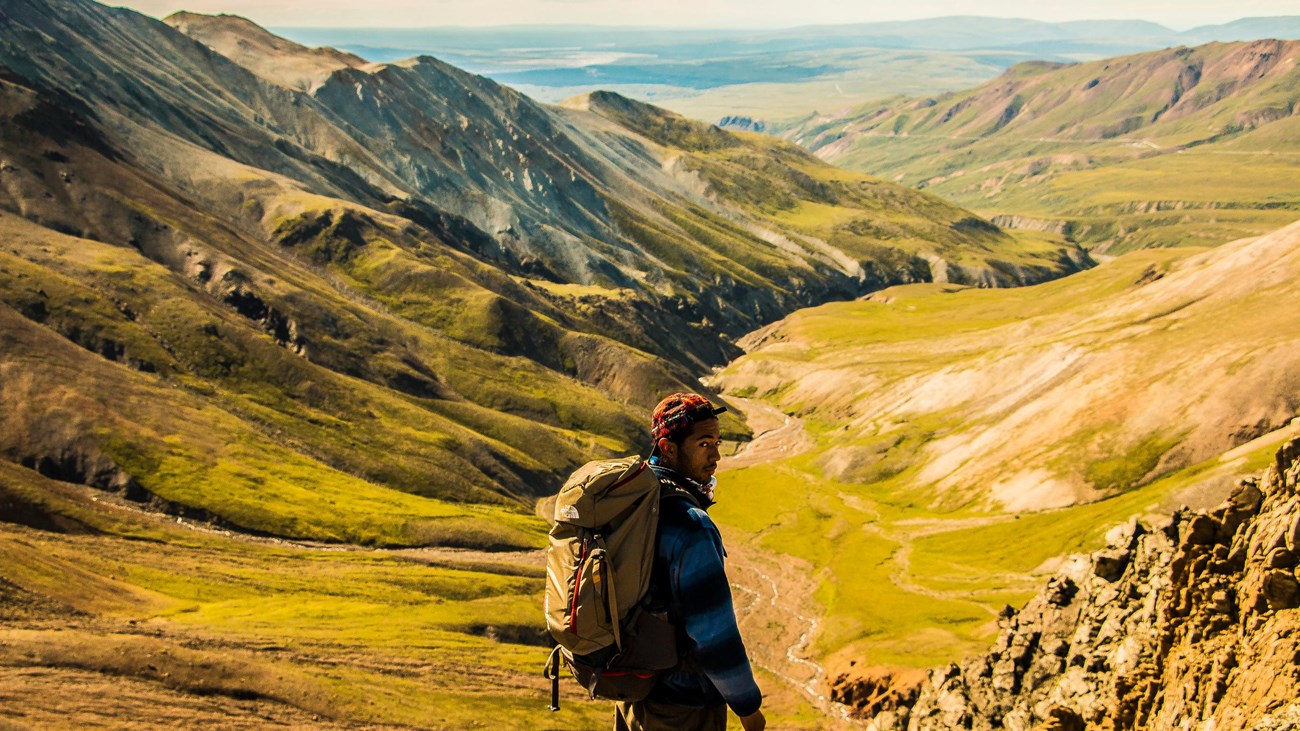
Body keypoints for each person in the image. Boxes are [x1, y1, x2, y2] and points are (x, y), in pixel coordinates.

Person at [614, 392, 766, 731]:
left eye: (717, 441)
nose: (716, 456)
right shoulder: (690, 525)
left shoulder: (635, 500)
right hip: (682, 709)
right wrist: (748, 707)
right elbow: (714, 635)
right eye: (703, 444)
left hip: (637, 692)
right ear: (668, 448)